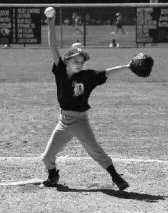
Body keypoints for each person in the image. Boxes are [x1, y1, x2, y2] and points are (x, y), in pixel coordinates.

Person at [41, 11, 131, 191]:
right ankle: (53, 175)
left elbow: (106, 72)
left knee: (95, 151)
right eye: (76, 60)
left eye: (82, 61)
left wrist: (127, 66)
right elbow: (52, 46)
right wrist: (50, 22)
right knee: (46, 157)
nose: (80, 63)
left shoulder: (87, 76)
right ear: (67, 61)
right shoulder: (60, 70)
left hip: (80, 120)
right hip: (63, 122)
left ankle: (116, 177)